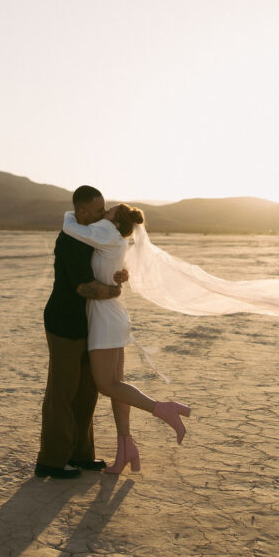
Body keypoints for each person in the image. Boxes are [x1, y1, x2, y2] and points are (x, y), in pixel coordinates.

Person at [62, 203, 191, 475]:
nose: (102, 212)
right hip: (113, 316)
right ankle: (126, 449)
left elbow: (70, 227)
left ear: (115, 222)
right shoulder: (114, 238)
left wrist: (71, 212)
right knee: (117, 385)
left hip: (105, 319)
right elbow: (112, 273)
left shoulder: (107, 231)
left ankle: (162, 409)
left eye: (107, 211)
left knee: (106, 384)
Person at [35, 185, 128, 480]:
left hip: (89, 321)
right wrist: (115, 290)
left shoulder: (90, 233)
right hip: (64, 320)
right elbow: (84, 287)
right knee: (62, 390)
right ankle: (51, 460)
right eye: (99, 210)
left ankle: (81, 454)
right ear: (83, 211)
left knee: (87, 390)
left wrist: (117, 272)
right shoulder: (70, 240)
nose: (104, 215)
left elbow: (103, 264)